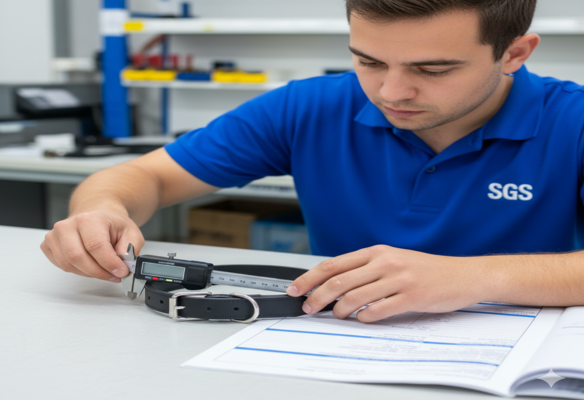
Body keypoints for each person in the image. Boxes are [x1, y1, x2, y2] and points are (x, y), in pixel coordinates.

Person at [41, 0, 584, 323]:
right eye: (368, 60)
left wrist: (471, 278)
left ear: (515, 52)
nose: (391, 91)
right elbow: (142, 176)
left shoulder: (573, 120)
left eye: (434, 69)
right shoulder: (310, 106)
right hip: (337, 346)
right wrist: (101, 211)